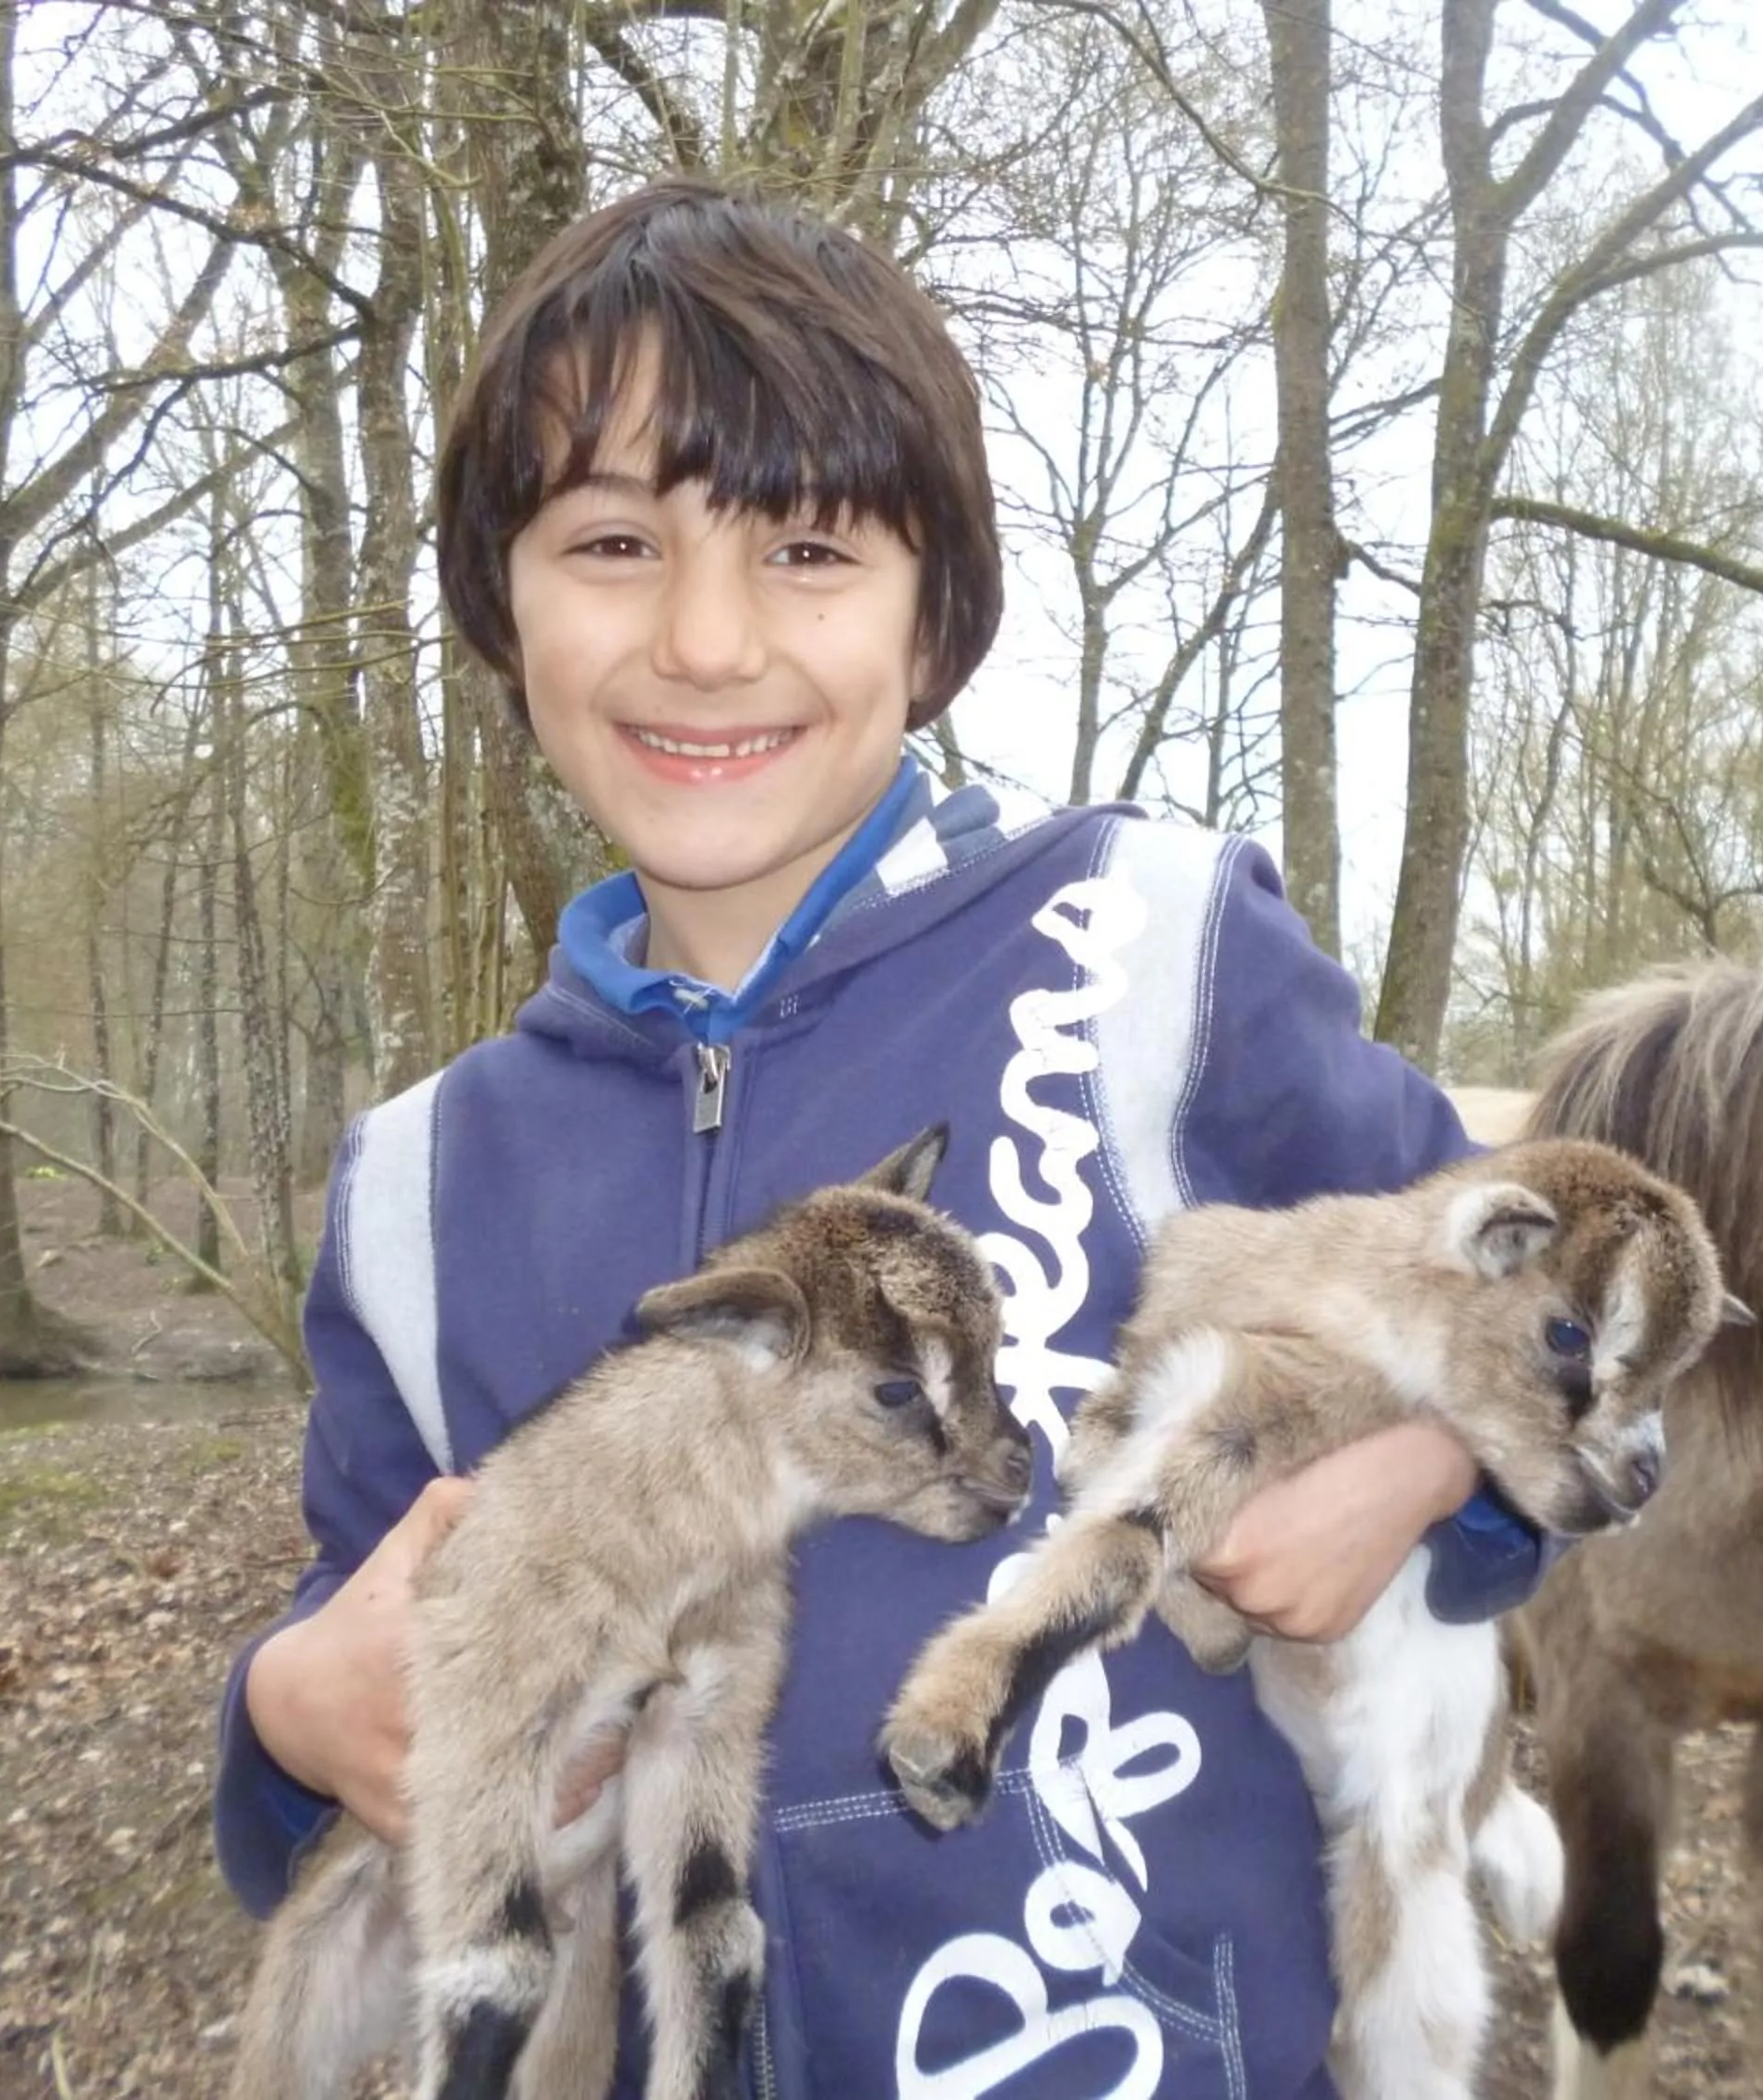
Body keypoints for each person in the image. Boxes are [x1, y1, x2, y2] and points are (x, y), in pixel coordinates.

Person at [215, 176, 1557, 2099]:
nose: (703, 639)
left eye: (811, 551)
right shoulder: (424, 1186)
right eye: (610, 542)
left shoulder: (1156, 958)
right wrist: (284, 1719)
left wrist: (1425, 1464)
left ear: (936, 612)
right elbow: (357, 1626)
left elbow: (1526, 1311)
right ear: (499, 603)